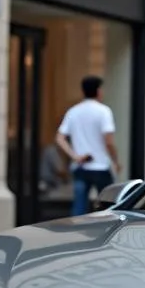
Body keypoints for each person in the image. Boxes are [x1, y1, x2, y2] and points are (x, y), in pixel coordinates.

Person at [55, 75, 120, 216]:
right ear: (98, 91)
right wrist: (115, 161)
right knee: (107, 207)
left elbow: (60, 138)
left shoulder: (73, 111)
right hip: (100, 166)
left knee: (79, 207)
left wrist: (75, 156)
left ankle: (77, 234)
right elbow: (109, 141)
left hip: (80, 167)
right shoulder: (103, 111)